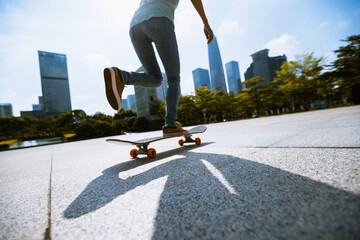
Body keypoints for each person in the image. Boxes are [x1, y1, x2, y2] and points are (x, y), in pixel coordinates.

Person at [103, 0, 213, 135]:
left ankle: (121, 76)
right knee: (173, 78)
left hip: (135, 26)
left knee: (156, 79)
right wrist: (205, 23)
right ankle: (170, 124)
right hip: (159, 20)